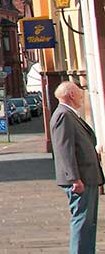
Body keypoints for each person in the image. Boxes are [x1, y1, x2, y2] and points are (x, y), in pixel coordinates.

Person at [50, 81, 104, 254]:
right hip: (80, 178)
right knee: (82, 221)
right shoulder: (63, 116)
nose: (82, 96)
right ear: (71, 94)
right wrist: (74, 178)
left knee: (89, 222)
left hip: (87, 176)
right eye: (80, 92)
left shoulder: (70, 114)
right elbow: (64, 150)